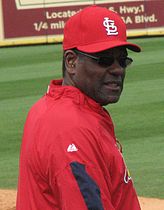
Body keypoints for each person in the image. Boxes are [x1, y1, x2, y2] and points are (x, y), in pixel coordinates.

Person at [16, 5, 141, 210]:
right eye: (105, 60)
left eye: (122, 59)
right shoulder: (71, 128)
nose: (117, 69)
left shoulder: (53, 107)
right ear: (72, 62)